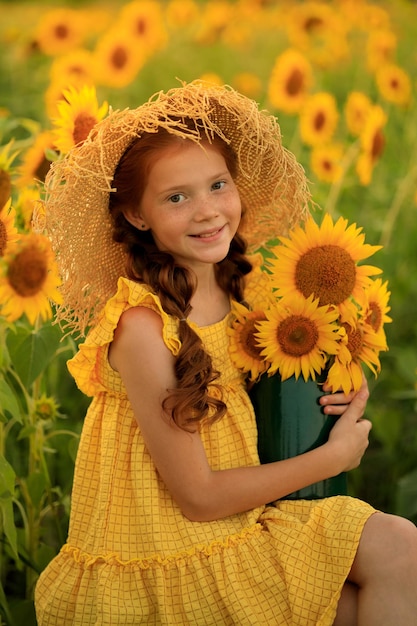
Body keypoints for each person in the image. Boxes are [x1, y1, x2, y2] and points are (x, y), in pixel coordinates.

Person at [34, 81, 417, 626]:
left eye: (218, 185)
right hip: (174, 554)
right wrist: (331, 459)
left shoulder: (245, 287)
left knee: (401, 548)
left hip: (247, 519)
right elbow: (198, 498)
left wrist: (341, 380)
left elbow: (293, 366)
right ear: (138, 216)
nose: (208, 211)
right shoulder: (142, 327)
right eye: (176, 197)